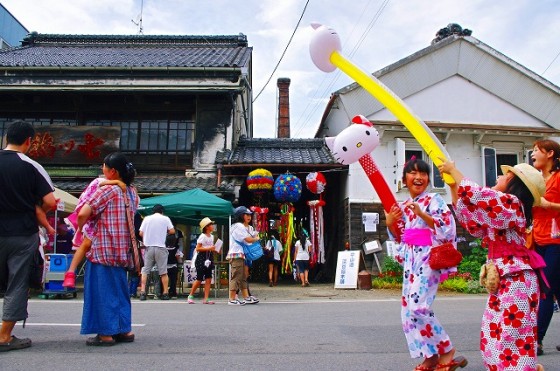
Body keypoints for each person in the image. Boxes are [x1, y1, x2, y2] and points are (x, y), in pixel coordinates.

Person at [439, 159, 545, 371]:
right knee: (492, 333)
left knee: (510, 337)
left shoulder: (513, 205)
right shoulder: (504, 211)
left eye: (505, 175)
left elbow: (480, 196)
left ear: (515, 183)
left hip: (517, 281)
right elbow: (472, 224)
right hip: (508, 280)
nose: (498, 177)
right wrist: (453, 186)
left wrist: (454, 170)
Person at [385, 158, 464, 371]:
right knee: (408, 312)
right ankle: (430, 356)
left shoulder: (434, 199)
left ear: (428, 179)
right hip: (412, 260)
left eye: (423, 173)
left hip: (429, 258)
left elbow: (447, 227)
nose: (419, 177)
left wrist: (422, 214)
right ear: (404, 180)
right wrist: (391, 223)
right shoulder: (401, 206)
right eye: (413, 173)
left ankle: (446, 349)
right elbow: (399, 237)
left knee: (419, 306)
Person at [0, 120, 57, 352]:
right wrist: (36, 209)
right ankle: (4, 335)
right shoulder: (31, 166)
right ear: (29, 142)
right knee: (17, 283)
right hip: (21, 234)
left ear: (5, 138)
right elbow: (50, 201)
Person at [77, 152, 138, 346]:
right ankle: (124, 330)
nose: (102, 169)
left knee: (101, 292)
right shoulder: (132, 192)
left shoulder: (105, 191)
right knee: (120, 291)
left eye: (104, 166)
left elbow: (84, 212)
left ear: (112, 171)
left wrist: (81, 228)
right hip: (123, 251)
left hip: (103, 248)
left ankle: (106, 334)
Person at [62, 177, 126, 288]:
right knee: (85, 244)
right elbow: (102, 183)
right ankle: (71, 272)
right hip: (92, 218)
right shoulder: (101, 182)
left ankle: (71, 272)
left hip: (94, 218)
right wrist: (116, 182)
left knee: (85, 245)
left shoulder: (112, 188)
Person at [530, 139, 560, 356]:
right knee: (556, 289)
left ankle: (537, 340)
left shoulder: (559, 178)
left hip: (557, 241)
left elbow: (548, 206)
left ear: (550, 154)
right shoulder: (534, 179)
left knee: (545, 290)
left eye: (536, 150)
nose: (532, 154)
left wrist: (550, 205)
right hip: (538, 239)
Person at [138, 204, 175, 301]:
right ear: (162, 211)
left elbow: (140, 233)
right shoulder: (165, 218)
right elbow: (172, 231)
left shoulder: (146, 218)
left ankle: (142, 292)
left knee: (145, 271)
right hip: (160, 247)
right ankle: (165, 293)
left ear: (153, 211)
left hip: (148, 247)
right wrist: (163, 232)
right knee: (163, 272)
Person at [227, 206, 260, 306]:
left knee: (242, 277)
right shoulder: (239, 226)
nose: (249, 216)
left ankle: (246, 297)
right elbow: (248, 240)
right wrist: (256, 239)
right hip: (237, 254)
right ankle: (232, 298)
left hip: (238, 254)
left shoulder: (236, 226)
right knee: (236, 277)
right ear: (241, 216)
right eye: (247, 214)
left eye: (250, 214)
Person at [187, 217, 216, 304]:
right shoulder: (202, 236)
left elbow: (210, 247)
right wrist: (209, 248)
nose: (212, 226)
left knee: (208, 278)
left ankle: (206, 298)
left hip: (209, 257)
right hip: (201, 258)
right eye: (211, 224)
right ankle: (190, 295)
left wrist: (214, 249)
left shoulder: (212, 236)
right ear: (206, 227)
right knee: (199, 278)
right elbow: (198, 248)